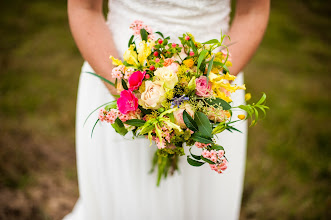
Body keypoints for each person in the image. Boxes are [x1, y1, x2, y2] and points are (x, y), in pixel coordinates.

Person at [64, 0, 270, 219]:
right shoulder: (123, 88)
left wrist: (207, 92)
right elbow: (83, 8)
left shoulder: (211, 89)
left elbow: (253, 12)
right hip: (116, 73)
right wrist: (131, 99)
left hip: (213, 84)